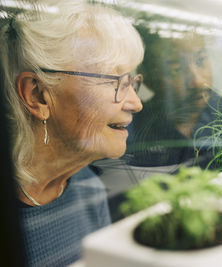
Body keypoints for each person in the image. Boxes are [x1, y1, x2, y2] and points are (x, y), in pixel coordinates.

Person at [0, 1, 144, 266]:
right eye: (114, 82)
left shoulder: (87, 187)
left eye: (131, 81)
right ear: (38, 95)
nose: (136, 103)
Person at [126, 27, 222, 169]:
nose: (198, 81)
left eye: (201, 61)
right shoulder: (130, 129)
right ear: (146, 77)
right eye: (176, 68)